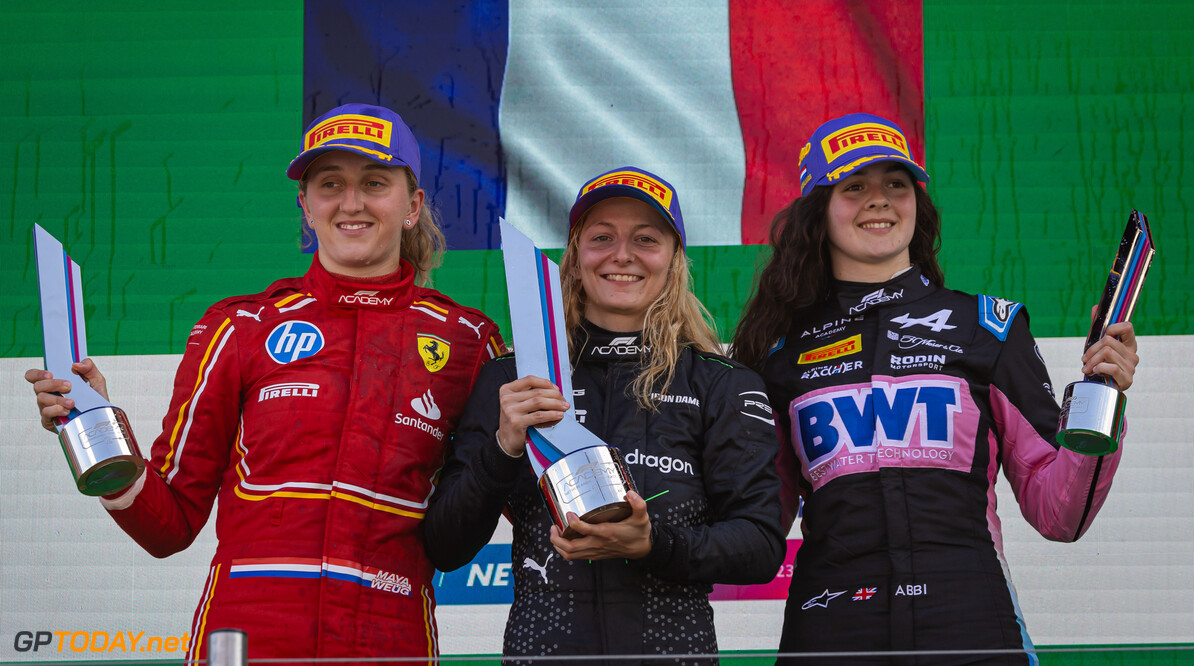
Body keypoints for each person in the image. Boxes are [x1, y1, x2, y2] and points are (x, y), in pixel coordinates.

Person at [26, 104, 505, 664]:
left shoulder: (470, 341)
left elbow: (503, 498)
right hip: (247, 639)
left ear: (412, 205)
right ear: (306, 206)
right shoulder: (243, 327)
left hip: (389, 640)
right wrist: (94, 428)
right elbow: (169, 525)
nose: (351, 203)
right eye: (330, 185)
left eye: (374, 183)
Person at [731, 113, 1139, 665]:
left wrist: (1103, 399)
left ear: (917, 204)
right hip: (831, 628)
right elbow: (757, 528)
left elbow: (1058, 514)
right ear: (818, 213)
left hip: (971, 621)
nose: (879, 200)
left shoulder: (987, 327)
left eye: (895, 185)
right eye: (854, 187)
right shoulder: (780, 353)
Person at [424, 166, 786, 662]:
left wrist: (654, 544)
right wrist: (503, 447)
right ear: (573, 260)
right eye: (601, 238)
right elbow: (446, 546)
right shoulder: (515, 378)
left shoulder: (720, 383)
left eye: (645, 239)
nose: (622, 255)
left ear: (674, 260)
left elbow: (761, 545)